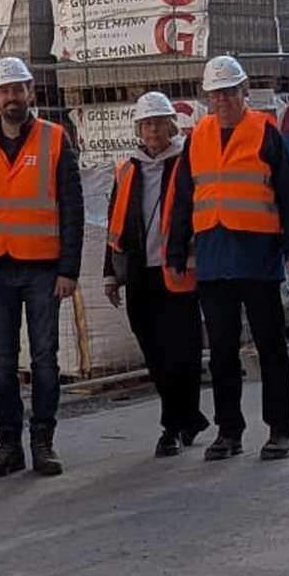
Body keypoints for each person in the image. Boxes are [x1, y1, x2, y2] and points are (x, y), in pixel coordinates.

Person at [171, 55, 289, 463]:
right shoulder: (197, 137)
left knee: (270, 347)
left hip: (257, 257)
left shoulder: (265, 133)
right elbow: (183, 199)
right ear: (207, 98)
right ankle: (228, 431)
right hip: (214, 260)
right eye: (217, 94)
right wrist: (177, 249)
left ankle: (281, 431)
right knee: (221, 352)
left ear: (244, 92)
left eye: (230, 92)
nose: (224, 100)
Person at [0, 57, 82, 479]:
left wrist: (70, 269)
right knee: (4, 361)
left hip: (44, 270)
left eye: (19, 89)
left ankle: (42, 441)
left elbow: (72, 206)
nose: (12, 97)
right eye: (4, 91)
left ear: (30, 91)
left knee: (46, 359)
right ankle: (8, 444)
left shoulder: (54, 138)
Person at [104, 91, 206, 458]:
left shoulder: (186, 163)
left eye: (158, 124)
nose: (152, 131)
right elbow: (114, 224)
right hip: (140, 275)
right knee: (154, 351)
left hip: (179, 270)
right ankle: (186, 417)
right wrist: (110, 275)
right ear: (138, 128)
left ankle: (173, 425)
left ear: (170, 125)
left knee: (183, 351)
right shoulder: (126, 169)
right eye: (146, 124)